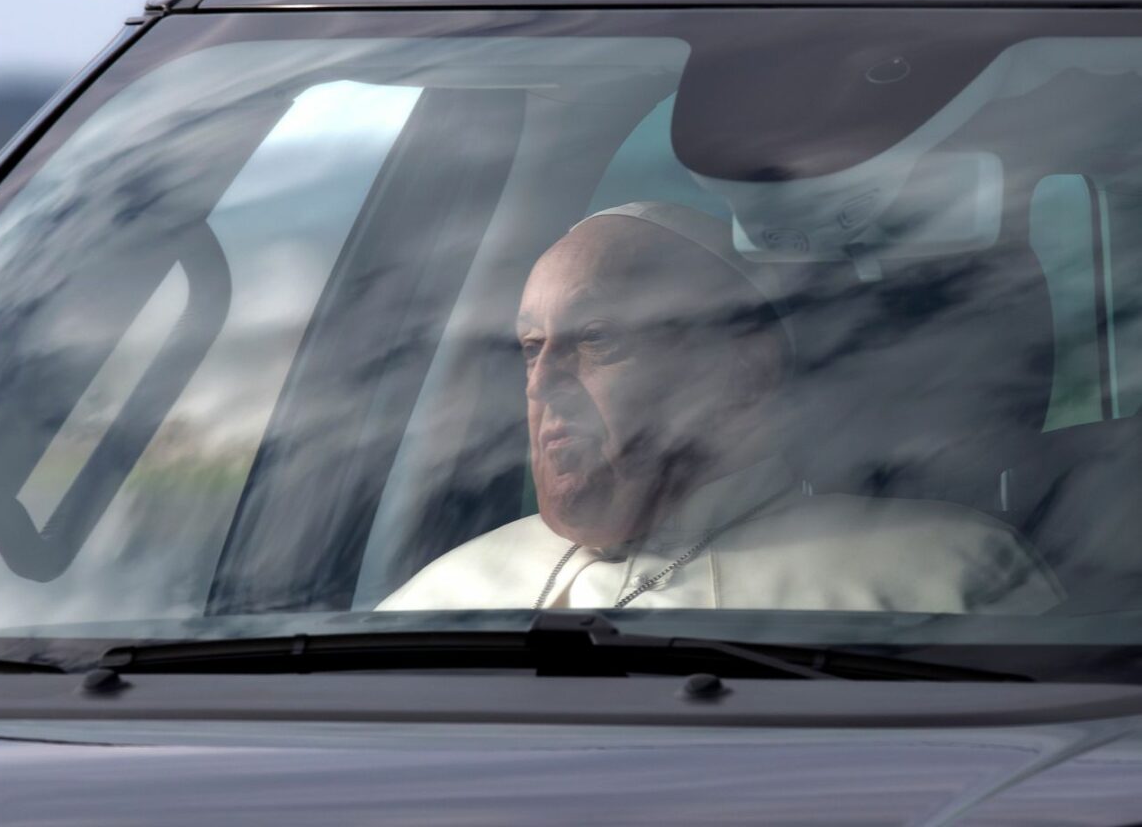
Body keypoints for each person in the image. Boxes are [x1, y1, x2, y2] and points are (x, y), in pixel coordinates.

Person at [379, 201, 1062, 613]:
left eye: (596, 339)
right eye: (532, 347)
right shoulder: (434, 605)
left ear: (743, 373)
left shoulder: (946, 582)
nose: (541, 384)